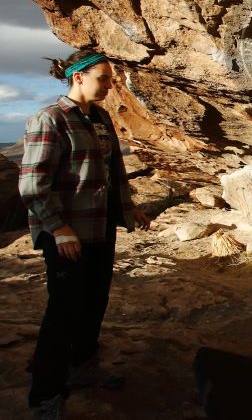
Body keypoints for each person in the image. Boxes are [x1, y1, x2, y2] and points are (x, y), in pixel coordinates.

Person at [19, 50, 150, 419]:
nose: (111, 86)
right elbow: (33, 185)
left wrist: (130, 207)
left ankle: (82, 367)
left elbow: (113, 172)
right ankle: (45, 394)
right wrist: (59, 229)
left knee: (95, 300)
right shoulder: (49, 119)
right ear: (78, 77)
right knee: (64, 310)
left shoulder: (101, 118)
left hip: (99, 226)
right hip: (65, 232)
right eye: (104, 79)